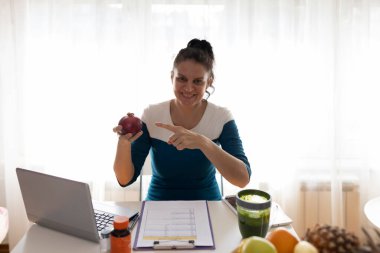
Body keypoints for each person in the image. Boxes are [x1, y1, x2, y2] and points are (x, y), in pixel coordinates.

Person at [113, 38, 251, 200]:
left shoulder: (221, 117)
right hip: (158, 205)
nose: (188, 88)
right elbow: (124, 180)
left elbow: (242, 179)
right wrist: (123, 143)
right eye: (182, 79)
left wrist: (202, 142)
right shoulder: (152, 114)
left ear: (209, 82)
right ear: (172, 77)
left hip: (208, 206)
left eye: (198, 81)